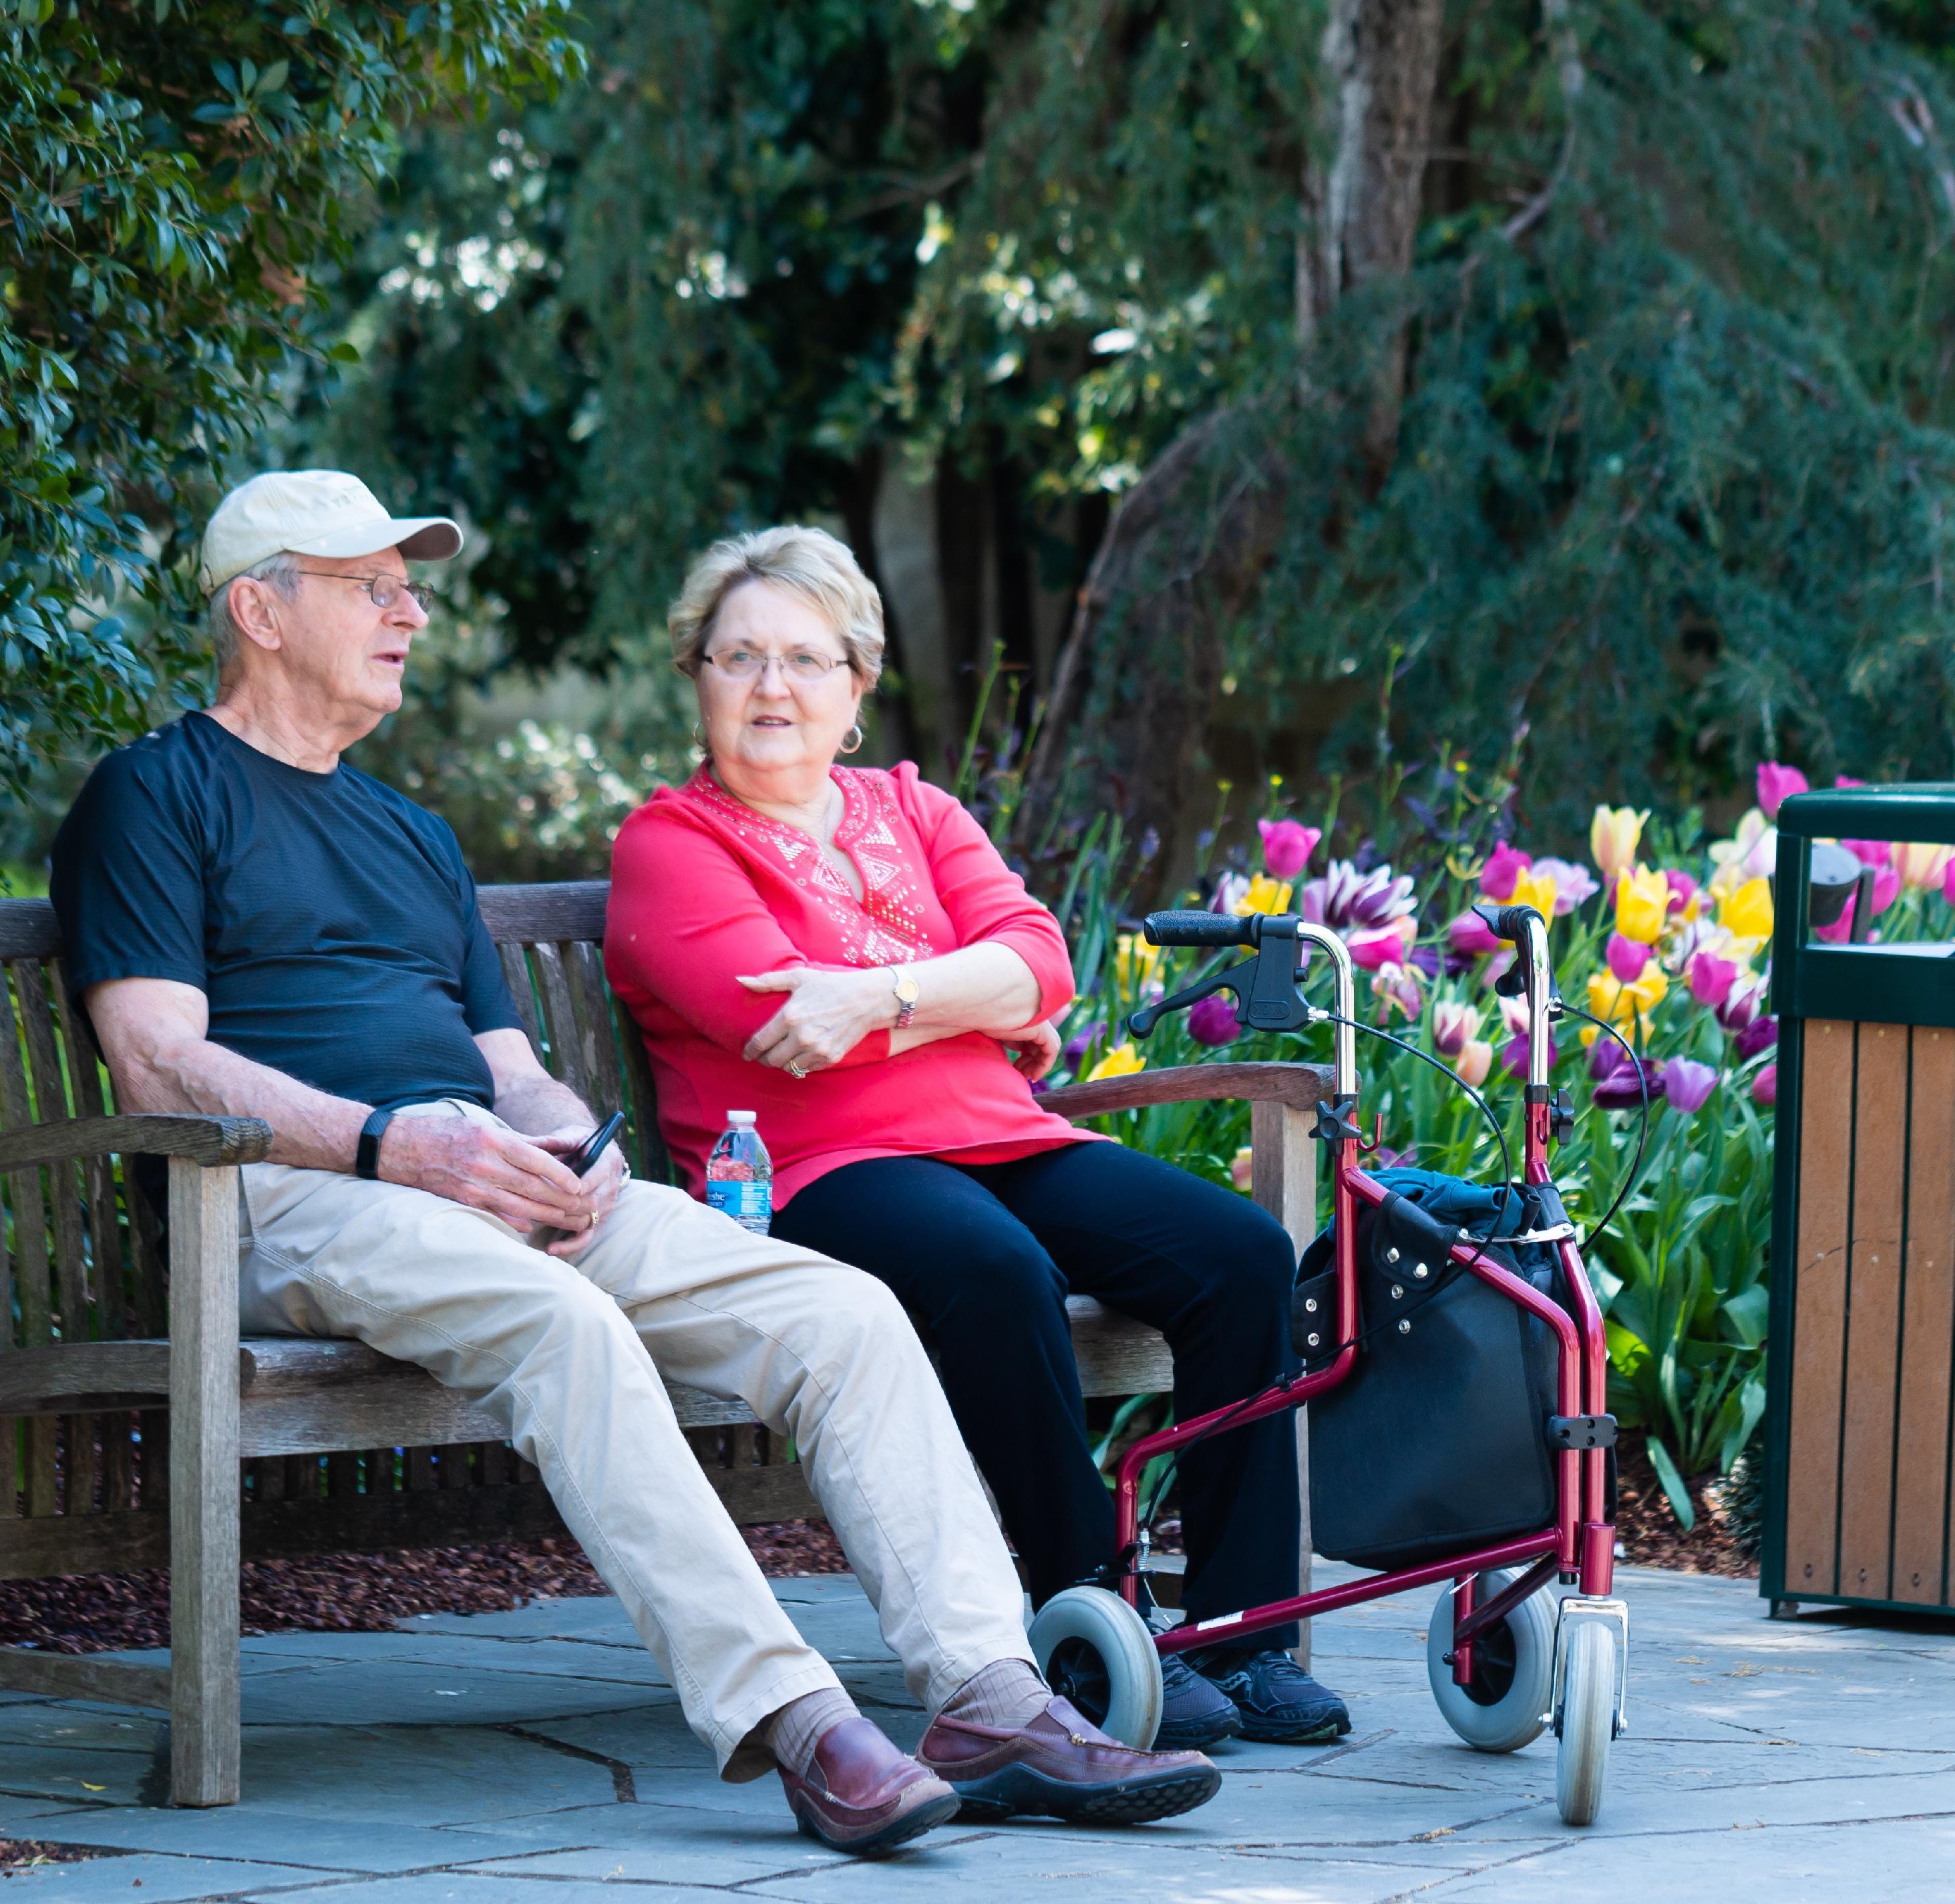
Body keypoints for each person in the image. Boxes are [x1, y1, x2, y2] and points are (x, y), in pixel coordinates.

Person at [49, 471, 1222, 1855]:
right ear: (259, 607)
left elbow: (506, 1062)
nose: (411, 612)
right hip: (284, 1194)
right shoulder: (152, 797)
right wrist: (390, 1141)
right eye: (374, 585)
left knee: (841, 1312)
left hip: (475, 1176)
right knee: (571, 1328)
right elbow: (159, 1063)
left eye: (408, 586)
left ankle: (989, 1694)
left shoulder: (408, 833)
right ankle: (794, 1717)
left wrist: (570, 1145)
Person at [602, 526, 1348, 1750]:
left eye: (804, 657)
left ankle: (1244, 1635)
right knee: (995, 1267)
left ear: (856, 683)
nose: (771, 686)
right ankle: (1093, 1623)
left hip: (1002, 1134)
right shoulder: (671, 845)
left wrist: (879, 996)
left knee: (1238, 1254)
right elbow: (786, 1021)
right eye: (739, 658)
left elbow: (1043, 966)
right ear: (698, 677)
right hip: (815, 1173)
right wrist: (962, 996)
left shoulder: (915, 806)